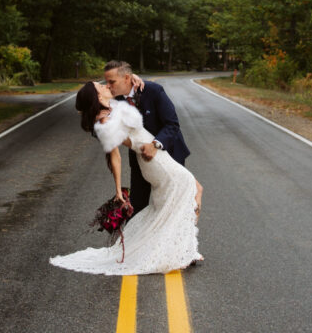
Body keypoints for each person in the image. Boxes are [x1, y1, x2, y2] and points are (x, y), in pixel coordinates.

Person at [49, 81, 203, 275]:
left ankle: (186, 249)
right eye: (100, 86)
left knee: (176, 199)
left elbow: (126, 90)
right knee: (188, 191)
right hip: (155, 161)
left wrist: (135, 79)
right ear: (97, 97)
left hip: (155, 157)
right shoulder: (105, 122)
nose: (105, 85)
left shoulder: (111, 108)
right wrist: (117, 189)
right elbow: (115, 157)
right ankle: (183, 252)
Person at [103, 60, 190, 215]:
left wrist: (154, 144)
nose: (108, 86)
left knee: (171, 205)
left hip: (169, 154)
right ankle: (133, 238)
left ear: (127, 78)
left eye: (112, 82)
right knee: (136, 205)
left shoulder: (153, 90)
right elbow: (92, 94)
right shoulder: (114, 100)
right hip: (140, 157)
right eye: (106, 82)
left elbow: (172, 124)